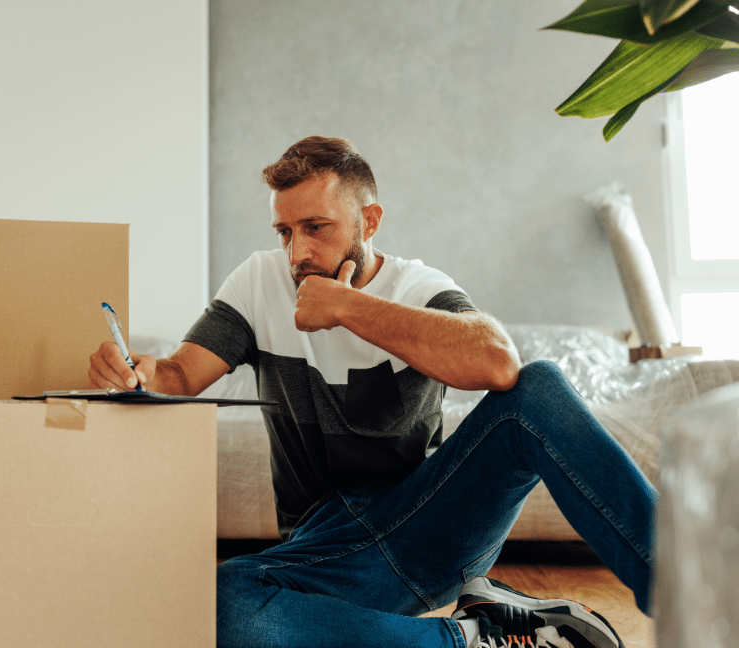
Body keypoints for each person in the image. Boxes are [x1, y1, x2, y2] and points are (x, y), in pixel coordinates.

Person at [89, 136, 656, 648]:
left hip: (430, 526)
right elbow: (179, 377)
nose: (297, 253)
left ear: (370, 220)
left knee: (540, 388)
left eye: (316, 228)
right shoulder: (257, 283)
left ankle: (683, 586)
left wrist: (349, 308)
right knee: (218, 602)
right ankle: (476, 639)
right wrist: (135, 371)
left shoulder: (416, 286)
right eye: (285, 232)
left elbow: (499, 363)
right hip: (331, 551)